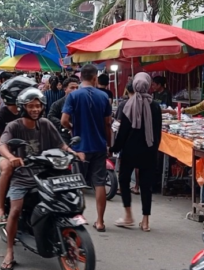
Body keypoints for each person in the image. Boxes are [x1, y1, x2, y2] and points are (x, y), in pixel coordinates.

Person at [0, 88, 79, 270]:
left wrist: (72, 152)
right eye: (31, 106)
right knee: (16, 210)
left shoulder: (46, 123)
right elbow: (2, 144)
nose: (35, 109)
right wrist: (11, 158)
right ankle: (10, 250)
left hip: (48, 174)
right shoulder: (14, 126)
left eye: (38, 106)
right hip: (23, 176)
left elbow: (61, 144)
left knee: (66, 200)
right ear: (23, 107)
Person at [62, 64, 113, 232]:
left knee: (78, 183)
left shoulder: (74, 96)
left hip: (79, 147)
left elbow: (63, 120)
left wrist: (72, 128)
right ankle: (100, 221)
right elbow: (107, 123)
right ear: (94, 78)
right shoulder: (104, 96)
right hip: (99, 145)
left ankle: (79, 217)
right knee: (99, 184)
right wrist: (109, 143)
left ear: (81, 77)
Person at [110, 73, 162, 232]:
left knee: (124, 180)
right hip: (149, 150)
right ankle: (145, 221)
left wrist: (114, 149)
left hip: (130, 151)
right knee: (146, 185)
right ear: (147, 85)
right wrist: (154, 149)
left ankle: (128, 215)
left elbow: (123, 132)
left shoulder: (128, 105)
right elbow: (158, 132)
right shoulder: (155, 106)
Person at [0, 76, 37, 225]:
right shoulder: (0, 115)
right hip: (1, 156)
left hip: (28, 153)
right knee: (8, 167)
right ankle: (1, 207)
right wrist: (10, 156)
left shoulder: (30, 112)